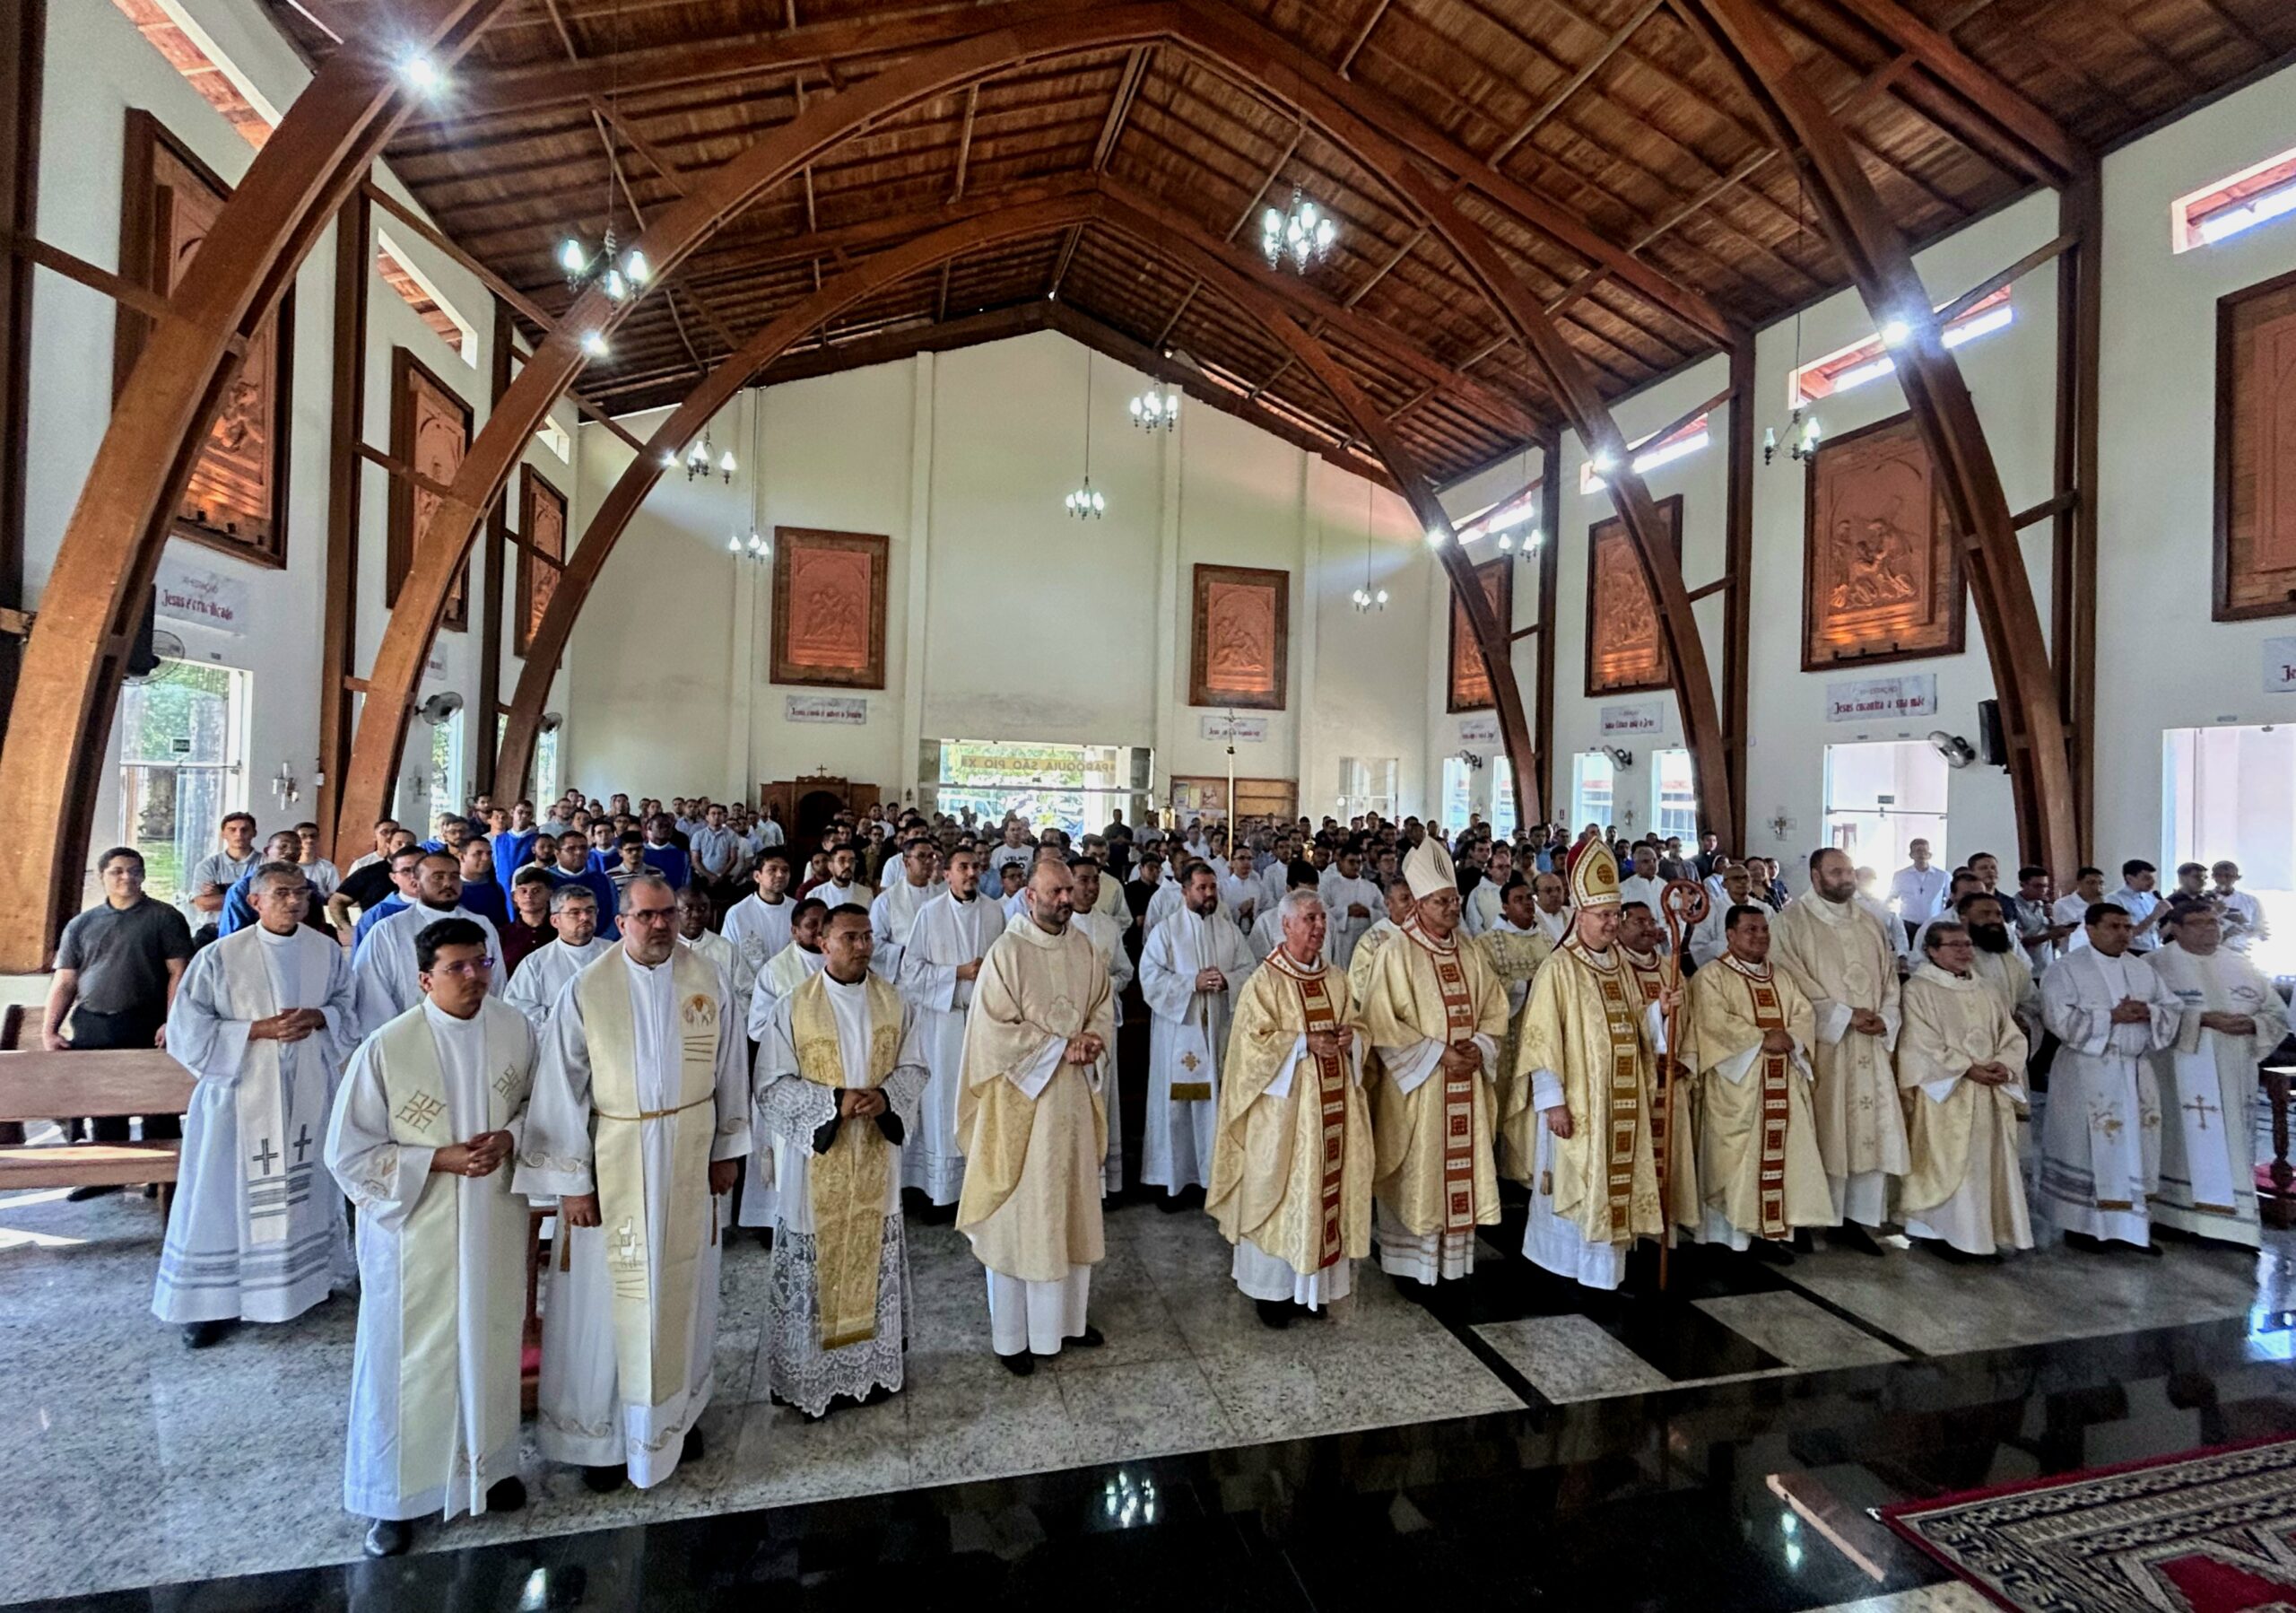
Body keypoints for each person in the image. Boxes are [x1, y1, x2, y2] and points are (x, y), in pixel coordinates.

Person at [513, 875, 750, 1492]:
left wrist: (728, 1149)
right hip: (614, 1161)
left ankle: (677, 1414)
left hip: (690, 1153)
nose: (661, 925)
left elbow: (729, 1068)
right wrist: (572, 1185)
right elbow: (561, 1088)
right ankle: (605, 1440)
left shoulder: (707, 978)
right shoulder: (587, 989)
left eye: (668, 914)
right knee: (606, 1302)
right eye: (646, 916)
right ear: (622, 922)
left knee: (685, 1288)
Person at [326, 917, 535, 1557]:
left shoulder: (515, 1028)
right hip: (414, 1231)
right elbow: (350, 1154)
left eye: (482, 963)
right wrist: (435, 1160)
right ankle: (394, 1496)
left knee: (492, 1337)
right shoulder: (387, 1049)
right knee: (407, 1357)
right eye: (458, 968)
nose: (475, 978)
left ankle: (491, 1467)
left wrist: (511, 1139)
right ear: (424, 979)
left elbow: (539, 1107)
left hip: (494, 1218)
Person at [154, 863, 358, 1347]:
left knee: (304, 1189)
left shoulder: (325, 951)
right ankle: (210, 1305)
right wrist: (257, 1030)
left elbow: (351, 1010)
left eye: (302, 894)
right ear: (255, 901)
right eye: (282, 893)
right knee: (220, 1196)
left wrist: (321, 1016)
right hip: (238, 1098)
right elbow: (187, 1028)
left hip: (307, 1087)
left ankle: (304, 1284)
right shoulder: (221, 956)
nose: (294, 902)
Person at [753, 903, 928, 1418]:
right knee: (818, 1261)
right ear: (823, 943)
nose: (862, 946)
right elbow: (771, 1083)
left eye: (867, 936)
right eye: (850, 937)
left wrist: (886, 1096)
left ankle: (871, 1371)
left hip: (874, 1151)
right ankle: (813, 1378)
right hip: (819, 1158)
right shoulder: (793, 1006)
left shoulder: (894, 1002)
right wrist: (833, 1103)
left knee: (872, 1255)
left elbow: (916, 1067)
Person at [955, 859, 1114, 1373]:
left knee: (1071, 1209)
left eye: (1070, 890)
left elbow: (1102, 1007)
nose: (1066, 899)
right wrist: (1058, 1049)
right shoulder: (1008, 952)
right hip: (1023, 1109)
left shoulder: (1084, 948)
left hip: (1071, 1103)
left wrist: (1093, 1042)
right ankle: (1015, 1337)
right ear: (1029, 896)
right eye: (1055, 892)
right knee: (1022, 1219)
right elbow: (993, 1033)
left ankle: (1066, 1322)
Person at [1510, 843, 1679, 1289]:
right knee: (1576, 1186)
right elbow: (1541, 1042)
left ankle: (1605, 1275)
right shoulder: (1559, 968)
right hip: (1578, 1104)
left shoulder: (1619, 964)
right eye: (1602, 914)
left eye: (1615, 913)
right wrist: (1553, 1104)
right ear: (1579, 915)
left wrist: (1657, 1012)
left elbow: (1630, 1027)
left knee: (1612, 1183)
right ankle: (1566, 1272)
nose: (1611, 923)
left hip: (1618, 1100)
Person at [1207, 889, 1373, 1328]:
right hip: (1284, 1120)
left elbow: (1358, 1025)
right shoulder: (1265, 982)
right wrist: (1301, 1043)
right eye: (1310, 919)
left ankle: (1314, 1293)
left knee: (1324, 1195)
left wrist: (1350, 1039)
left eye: (1322, 919)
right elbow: (1246, 1049)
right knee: (1279, 1196)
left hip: (1333, 1112)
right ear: (1286, 926)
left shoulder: (1336, 979)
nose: (1320, 927)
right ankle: (1273, 1292)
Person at [1357, 839, 1506, 1293]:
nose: (1452, 908)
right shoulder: (1395, 951)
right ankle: (1412, 1269)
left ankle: (1453, 1266)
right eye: (1442, 901)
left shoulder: (1469, 951)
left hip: (1465, 1082)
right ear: (1419, 905)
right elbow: (1379, 1020)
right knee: (1422, 1175)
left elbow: (1494, 1007)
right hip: (1420, 1087)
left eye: (1455, 899)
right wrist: (1439, 1053)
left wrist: (1480, 1045)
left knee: (1458, 1176)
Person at [1768, 849, 1906, 1253]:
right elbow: (1789, 980)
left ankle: (1855, 1218)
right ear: (1815, 875)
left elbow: (1889, 978)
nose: (1846, 878)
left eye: (1848, 871)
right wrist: (1843, 1015)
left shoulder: (1870, 923)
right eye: (1836, 871)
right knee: (1825, 1129)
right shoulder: (1790, 923)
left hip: (1869, 1045)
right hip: (1824, 1047)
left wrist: (1886, 1017)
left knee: (1866, 1132)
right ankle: (1811, 1218)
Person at [1683, 903, 1831, 1262]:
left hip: (1781, 1084)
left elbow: (1803, 1013)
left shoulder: (1780, 976)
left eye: (1764, 929)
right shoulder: (1711, 977)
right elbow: (1712, 1023)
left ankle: (1768, 1233)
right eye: (1751, 930)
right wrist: (1761, 1039)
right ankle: (1727, 1242)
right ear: (1730, 935)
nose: (1760, 936)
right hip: (1737, 1088)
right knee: (1735, 1165)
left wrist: (1791, 1039)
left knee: (1782, 1161)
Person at [44, 847, 193, 1191]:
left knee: (158, 1104)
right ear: (102, 877)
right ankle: (107, 1177)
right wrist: (49, 1029)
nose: (126, 877)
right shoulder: (82, 924)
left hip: (147, 1020)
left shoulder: (163, 917)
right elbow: (65, 980)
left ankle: (163, 1179)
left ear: (143, 875)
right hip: (94, 1022)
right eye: (117, 871)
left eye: (134, 870)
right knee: (103, 1102)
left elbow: (179, 972)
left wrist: (173, 1021)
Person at [2037, 903, 2181, 1252]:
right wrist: (2111, 1017)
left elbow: (2172, 1007)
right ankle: (2083, 1226)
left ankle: (2132, 1227)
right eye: (2114, 926)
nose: (2124, 933)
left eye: (2128, 927)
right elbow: (2056, 1016)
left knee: (2136, 1147)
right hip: (2087, 1071)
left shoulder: (2141, 968)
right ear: (2090, 929)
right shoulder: (2066, 969)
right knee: (2087, 1148)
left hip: (2134, 1069)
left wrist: (2150, 1011)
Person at [2146, 904, 2288, 1248]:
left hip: (2233, 1069)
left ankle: (2232, 1226)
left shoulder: (2240, 964)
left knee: (2232, 1142)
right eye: (2198, 923)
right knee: (2179, 1142)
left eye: (2213, 921)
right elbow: (2147, 1017)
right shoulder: (2154, 965)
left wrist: (2253, 1024)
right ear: (2175, 929)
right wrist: (2202, 1020)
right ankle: (2173, 1216)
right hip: (2178, 1070)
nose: (2210, 928)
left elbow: (2277, 1014)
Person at [1895, 920, 2032, 1261]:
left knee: (1985, 1166)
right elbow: (1919, 1042)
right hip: (1946, 1093)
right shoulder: (1919, 990)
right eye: (1954, 945)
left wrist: (2005, 1063)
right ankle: (1939, 1232)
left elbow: (2011, 1035)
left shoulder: (1986, 989)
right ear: (1931, 950)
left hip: (1989, 1092)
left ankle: (1980, 1234)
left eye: (1967, 944)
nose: (1964, 951)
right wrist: (1967, 1068)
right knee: (1949, 1164)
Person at [1137, 861, 1257, 1206]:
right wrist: (1191, 983)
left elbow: (1249, 969)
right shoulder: (1166, 931)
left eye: (1213, 888)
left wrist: (1227, 981)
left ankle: (1210, 1180)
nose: (1209, 894)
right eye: (1202, 888)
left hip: (1215, 1029)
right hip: (1178, 1032)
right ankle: (1172, 1182)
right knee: (1175, 1109)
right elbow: (1150, 978)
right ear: (1185, 890)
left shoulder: (1228, 930)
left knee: (1212, 1105)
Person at [891, 850, 1003, 1213]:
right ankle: (942, 1191)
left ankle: (980, 1181)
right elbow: (911, 974)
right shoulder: (930, 913)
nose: (971, 873)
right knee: (943, 1101)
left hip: (985, 1024)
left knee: (982, 1100)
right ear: (947, 874)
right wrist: (957, 973)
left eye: (975, 868)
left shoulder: (994, 911)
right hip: (944, 1024)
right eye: (963, 868)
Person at [735, 897, 831, 1237]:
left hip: (828, 1075)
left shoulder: (841, 964)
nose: (819, 932)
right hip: (788, 1072)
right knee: (782, 1150)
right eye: (811, 925)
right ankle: (773, 1220)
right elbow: (757, 1026)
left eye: (824, 925)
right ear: (794, 931)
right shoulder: (775, 970)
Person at [351, 853, 505, 1036]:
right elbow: (372, 996)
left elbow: (496, 983)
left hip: (474, 1032)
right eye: (438, 877)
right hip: (408, 1037)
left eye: (454, 876)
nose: (448, 883)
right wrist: (392, 1041)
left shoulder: (482, 924)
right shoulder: (388, 931)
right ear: (416, 883)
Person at [1065, 857, 1135, 1196]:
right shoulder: (1058, 926)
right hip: (1065, 1032)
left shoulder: (1108, 926)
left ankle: (1101, 1184)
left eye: (1095, 880)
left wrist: (1106, 985)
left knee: (1102, 1098)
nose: (1091, 887)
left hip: (1103, 1026)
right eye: (1083, 880)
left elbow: (1125, 971)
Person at [505, 885, 613, 1029]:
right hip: (558, 1042)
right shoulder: (536, 963)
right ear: (555, 921)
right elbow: (517, 1007)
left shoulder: (614, 952)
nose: (585, 917)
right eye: (575, 912)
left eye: (590, 910)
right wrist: (565, 1019)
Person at [721, 849, 796, 1002]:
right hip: (749, 998)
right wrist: (761, 992)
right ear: (757, 876)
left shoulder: (798, 911)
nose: (780, 875)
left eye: (785, 870)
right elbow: (730, 960)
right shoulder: (737, 914)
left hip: (790, 994)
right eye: (772, 870)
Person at [869, 838, 944, 982]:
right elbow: (874, 943)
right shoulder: (887, 900)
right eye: (921, 856)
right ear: (906, 862)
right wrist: (904, 952)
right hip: (903, 978)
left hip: (937, 977)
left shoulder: (942, 896)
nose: (928, 862)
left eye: (931, 856)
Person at [216, 831, 310, 936]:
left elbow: (317, 928)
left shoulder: (309, 887)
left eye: (297, 849)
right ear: (267, 851)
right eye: (283, 846)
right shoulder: (241, 889)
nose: (290, 852)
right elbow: (230, 938)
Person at [329, 827, 419, 934]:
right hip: (375, 933)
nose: (404, 847)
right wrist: (349, 930)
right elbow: (337, 901)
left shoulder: (426, 874)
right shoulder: (368, 873)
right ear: (388, 845)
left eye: (409, 844)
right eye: (399, 844)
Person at [1345, 876, 1415, 1001]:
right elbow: (1360, 983)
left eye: (1414, 897)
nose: (1412, 903)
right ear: (1388, 903)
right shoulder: (1372, 940)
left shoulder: (1426, 933)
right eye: (1405, 899)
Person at [544, 829, 621, 941]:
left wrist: (601, 943)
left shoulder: (604, 880)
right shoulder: (544, 880)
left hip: (601, 947)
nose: (579, 852)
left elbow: (615, 915)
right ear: (557, 853)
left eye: (583, 848)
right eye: (571, 849)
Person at [187, 810, 261, 923]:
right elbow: (203, 904)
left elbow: (273, 900)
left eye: (245, 830)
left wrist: (221, 893)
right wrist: (253, 897)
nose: (239, 834)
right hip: (215, 930)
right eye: (232, 830)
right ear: (223, 834)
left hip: (255, 928)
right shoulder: (207, 866)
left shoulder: (268, 863)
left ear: (254, 833)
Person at [351, 844, 428, 946]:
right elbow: (363, 960)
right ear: (393, 878)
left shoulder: (451, 906)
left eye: (420, 869)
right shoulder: (376, 916)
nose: (414, 876)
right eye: (406, 871)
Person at [1320, 847, 1382, 967]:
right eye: (1351, 862)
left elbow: (1385, 912)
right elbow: (1322, 912)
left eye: (1359, 862)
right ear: (1340, 863)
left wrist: (1368, 912)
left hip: (1367, 938)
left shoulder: (1371, 887)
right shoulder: (1330, 886)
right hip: (1341, 938)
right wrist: (1346, 911)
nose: (1356, 866)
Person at [1685, 864, 1754, 969]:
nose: (1743, 882)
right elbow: (1698, 945)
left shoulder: (1764, 908)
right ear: (1724, 884)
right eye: (1736, 878)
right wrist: (1720, 949)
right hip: (1723, 969)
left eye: (1746, 878)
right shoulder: (1713, 910)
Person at [675, 884, 741, 985]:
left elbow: (745, 990)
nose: (696, 915)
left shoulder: (726, 949)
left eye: (702, 909)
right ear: (674, 912)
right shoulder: (662, 949)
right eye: (688, 909)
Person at [497, 867, 557, 978]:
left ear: (550, 894)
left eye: (536, 891)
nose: (528, 896)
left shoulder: (561, 932)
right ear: (514, 897)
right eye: (523, 891)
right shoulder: (503, 935)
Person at [1889, 840, 1948, 931]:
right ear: (1911, 855)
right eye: (1918, 851)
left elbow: (1949, 899)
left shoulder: (1942, 876)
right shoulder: (1900, 876)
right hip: (1908, 924)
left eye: (1925, 851)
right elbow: (1892, 898)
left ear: (1930, 854)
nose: (1922, 854)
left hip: (1934, 924)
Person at [2210, 861, 2267, 954]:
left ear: (2237, 878)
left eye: (2228, 876)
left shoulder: (2251, 901)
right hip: (2209, 951)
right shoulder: (2203, 900)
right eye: (2218, 875)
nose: (2223, 879)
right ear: (2213, 876)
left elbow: (2261, 932)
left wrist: (2243, 925)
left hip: (2239, 952)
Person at [2110, 859, 2167, 953]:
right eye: (2146, 878)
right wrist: (2153, 916)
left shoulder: (2150, 898)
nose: (2152, 882)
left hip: (2154, 950)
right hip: (2131, 952)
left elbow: (2154, 933)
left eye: (2153, 878)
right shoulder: (2115, 899)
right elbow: (2124, 933)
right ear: (2129, 878)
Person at [454, 839, 509, 931]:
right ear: (462, 857)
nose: (486, 858)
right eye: (478, 853)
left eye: (489, 853)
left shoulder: (496, 888)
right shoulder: (451, 888)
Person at [1462, 841, 1513, 937]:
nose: (1505, 871)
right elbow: (1474, 925)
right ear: (1489, 869)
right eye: (1500, 867)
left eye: (1508, 867)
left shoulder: (1515, 890)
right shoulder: (1478, 893)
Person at [636, 814, 691, 893]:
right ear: (649, 828)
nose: (665, 829)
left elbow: (686, 884)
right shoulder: (639, 853)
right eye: (660, 826)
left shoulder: (681, 855)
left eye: (668, 826)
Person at [295, 823, 341, 902]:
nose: (309, 840)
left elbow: (334, 894)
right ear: (295, 840)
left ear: (318, 839)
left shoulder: (328, 867)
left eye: (313, 836)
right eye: (303, 836)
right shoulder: (288, 867)